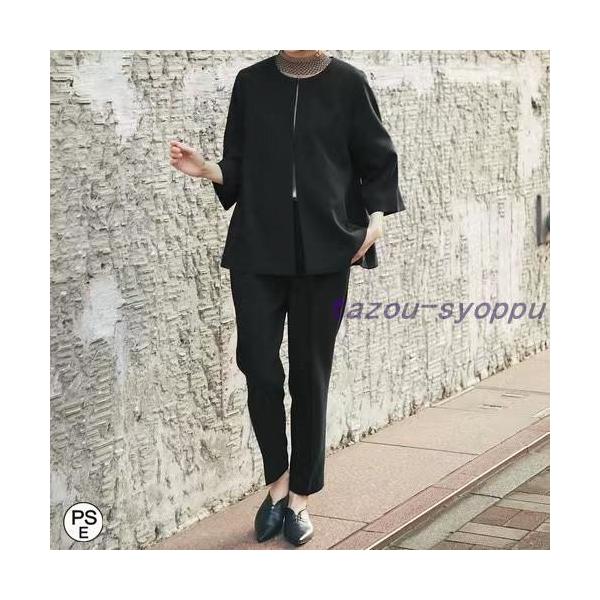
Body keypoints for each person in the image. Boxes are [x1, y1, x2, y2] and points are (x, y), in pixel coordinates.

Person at [169, 49, 405, 546]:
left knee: (309, 372)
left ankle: (298, 497)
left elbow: (378, 159)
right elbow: (238, 164)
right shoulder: (251, 82)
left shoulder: (348, 82)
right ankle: (275, 483)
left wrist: (377, 222)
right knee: (258, 365)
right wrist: (207, 169)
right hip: (258, 247)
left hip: (327, 250)